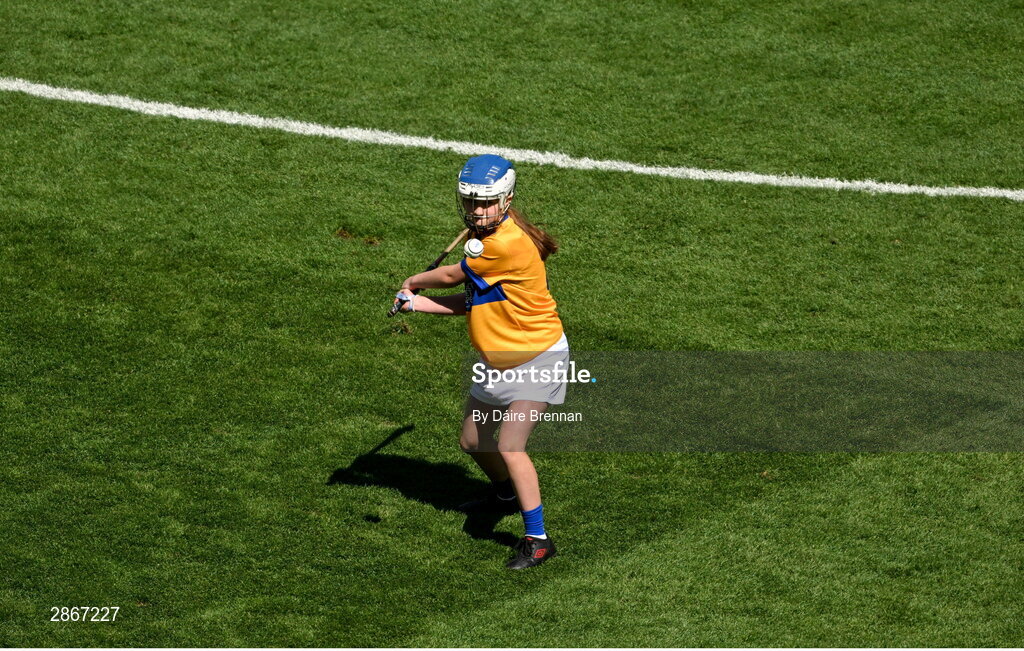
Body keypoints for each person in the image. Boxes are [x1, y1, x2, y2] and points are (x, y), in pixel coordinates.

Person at [392, 154, 565, 570]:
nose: (477, 210)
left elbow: (451, 277)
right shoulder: (490, 240)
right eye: (471, 202)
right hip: (499, 358)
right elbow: (471, 302)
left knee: (509, 446)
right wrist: (417, 306)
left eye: (486, 202)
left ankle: (538, 538)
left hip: (537, 357)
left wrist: (413, 282)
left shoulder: (503, 245)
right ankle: (505, 494)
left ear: (506, 200)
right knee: (472, 443)